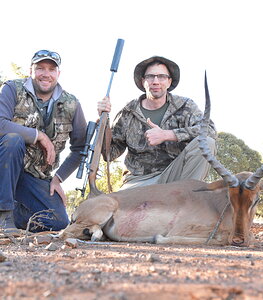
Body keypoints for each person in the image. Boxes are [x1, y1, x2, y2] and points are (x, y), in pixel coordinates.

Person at [97, 56, 217, 190]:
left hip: (175, 176)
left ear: (169, 81)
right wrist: (104, 122)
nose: (155, 81)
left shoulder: (185, 106)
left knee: (206, 141)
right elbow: (110, 153)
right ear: (143, 81)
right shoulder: (127, 112)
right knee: (118, 207)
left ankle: (188, 196)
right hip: (139, 181)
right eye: (150, 76)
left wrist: (167, 134)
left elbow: (210, 130)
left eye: (161, 76)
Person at [0, 50, 87, 234]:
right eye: (40, 68)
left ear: (58, 74)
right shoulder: (12, 89)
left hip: (32, 177)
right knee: (13, 141)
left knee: (58, 222)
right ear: (30, 70)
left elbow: (80, 148)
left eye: (51, 69)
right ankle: (4, 216)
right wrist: (39, 135)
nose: (45, 74)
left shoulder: (72, 104)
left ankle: (14, 216)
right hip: (4, 168)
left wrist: (59, 178)